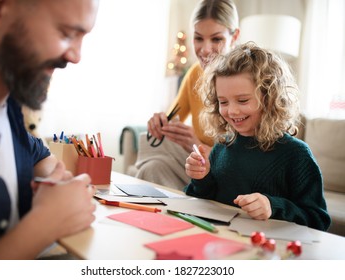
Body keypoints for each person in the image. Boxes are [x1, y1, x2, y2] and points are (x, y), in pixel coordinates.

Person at [0, 0, 100, 259]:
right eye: (66, 34)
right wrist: (45, 223)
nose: (76, 56)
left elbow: (42, 159)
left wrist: (57, 185)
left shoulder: (8, 109)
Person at [184, 42, 331, 231]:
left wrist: (273, 206)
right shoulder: (222, 146)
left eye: (243, 100)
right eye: (223, 102)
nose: (232, 111)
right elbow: (205, 202)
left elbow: (318, 220)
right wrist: (201, 178)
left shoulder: (296, 154)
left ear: (269, 97)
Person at [134, 0, 240, 190]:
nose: (205, 49)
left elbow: (244, 157)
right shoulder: (194, 74)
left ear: (234, 37)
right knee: (152, 168)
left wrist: (196, 144)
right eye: (198, 38)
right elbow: (173, 118)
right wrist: (160, 124)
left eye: (216, 39)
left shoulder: (243, 78)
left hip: (228, 171)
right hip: (197, 162)